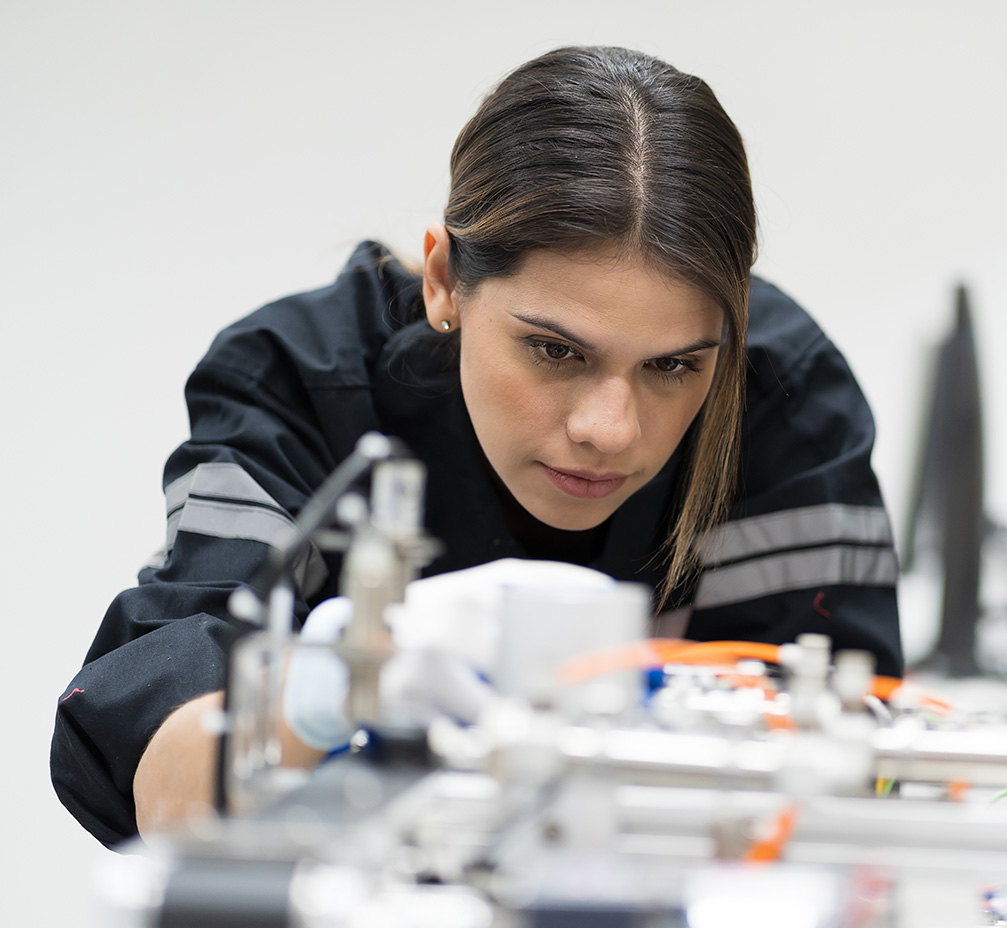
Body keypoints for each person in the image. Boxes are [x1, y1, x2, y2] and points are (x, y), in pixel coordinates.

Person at [51, 45, 903, 848]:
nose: (609, 429)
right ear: (443, 281)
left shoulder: (782, 397)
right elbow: (161, 795)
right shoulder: (300, 380)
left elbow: (852, 791)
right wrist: (329, 689)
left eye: (674, 366)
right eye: (555, 351)